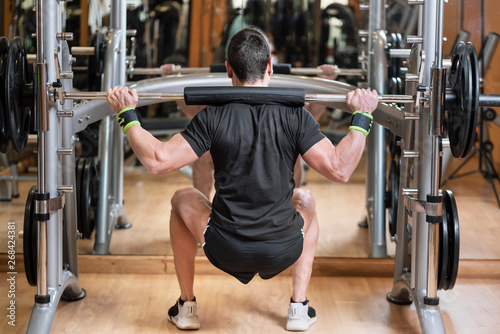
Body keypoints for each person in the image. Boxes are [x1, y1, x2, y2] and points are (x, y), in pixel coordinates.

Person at [107, 28, 378, 331]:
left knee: (182, 198)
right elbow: (339, 169)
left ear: (228, 70)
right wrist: (362, 117)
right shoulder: (296, 116)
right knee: (306, 200)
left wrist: (127, 113)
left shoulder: (213, 115)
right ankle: (299, 308)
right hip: (282, 249)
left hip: (225, 248)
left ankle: (186, 307)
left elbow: (158, 161)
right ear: (270, 68)